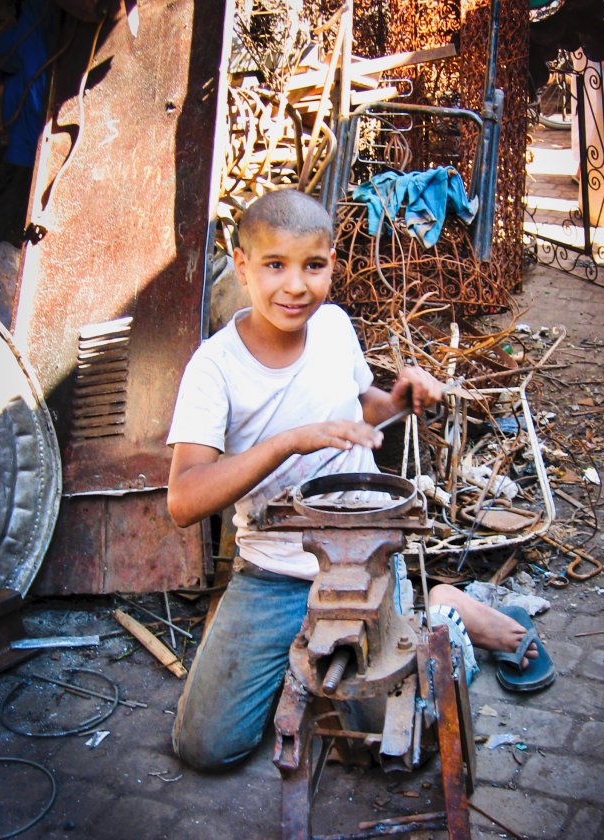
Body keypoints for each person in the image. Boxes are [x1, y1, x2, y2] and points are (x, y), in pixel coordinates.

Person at [166, 189, 549, 773]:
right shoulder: (215, 368)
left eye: (312, 266)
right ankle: (313, 651)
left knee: (394, 743)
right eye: (275, 265)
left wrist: (395, 400)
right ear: (240, 265)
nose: (295, 286)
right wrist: (291, 440)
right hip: (272, 571)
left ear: (331, 265)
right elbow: (183, 500)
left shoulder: (335, 326)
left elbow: (358, 408)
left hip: (363, 555)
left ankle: (446, 609)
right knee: (206, 748)